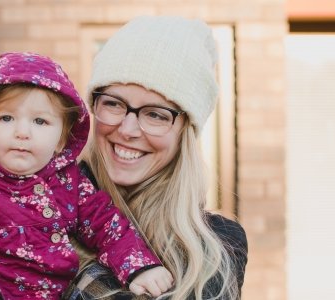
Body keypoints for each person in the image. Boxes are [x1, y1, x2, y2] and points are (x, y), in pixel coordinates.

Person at [0, 52, 173, 300]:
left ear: (62, 137)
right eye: (6, 118)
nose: (22, 132)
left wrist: (139, 266)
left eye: (40, 121)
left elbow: (108, 226)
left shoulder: (69, 182)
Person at [63, 16, 248, 300]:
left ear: (185, 132)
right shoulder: (46, 208)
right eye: (113, 103)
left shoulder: (215, 248)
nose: (127, 129)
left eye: (155, 114)